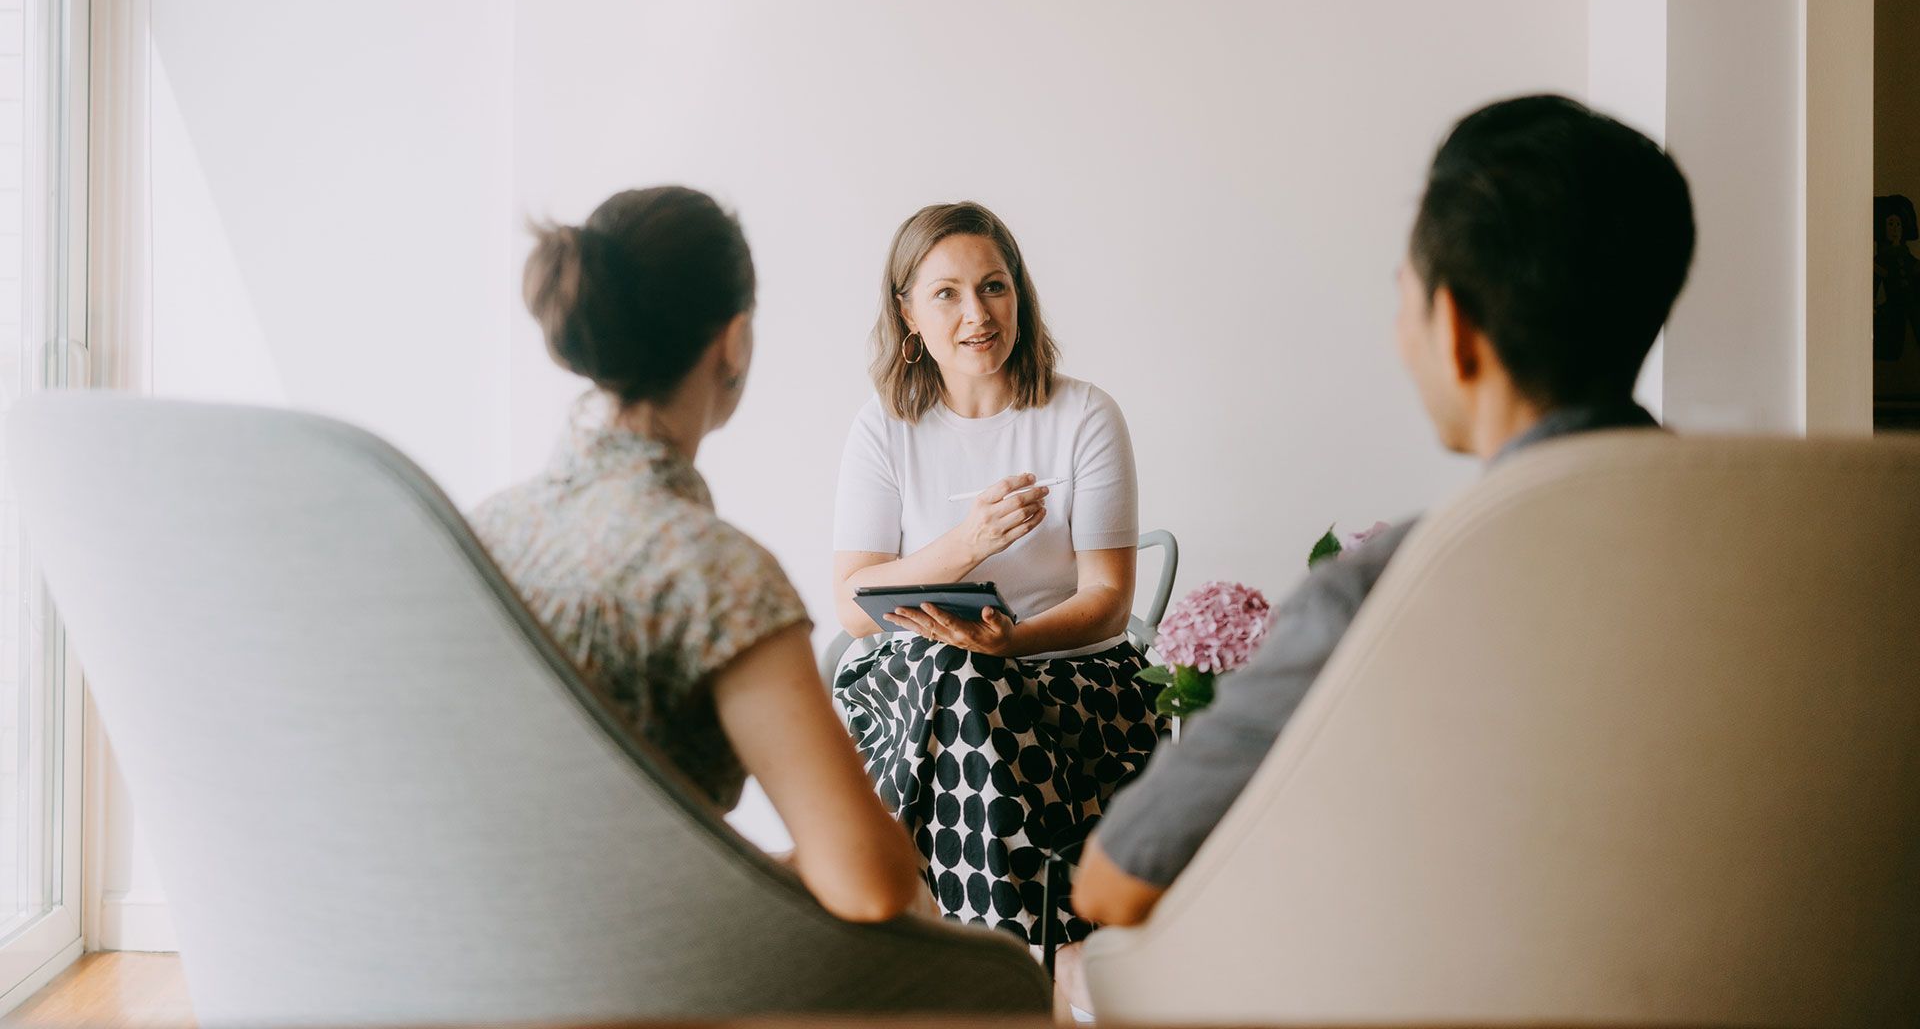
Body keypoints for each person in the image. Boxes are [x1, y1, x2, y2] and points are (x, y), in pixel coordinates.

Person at [1074, 94, 1697, 927]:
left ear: (1456, 331)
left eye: (1403, 293)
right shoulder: (1813, 555)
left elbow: (1114, 883)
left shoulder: (1384, 590)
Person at [471, 186, 926, 923]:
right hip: (637, 967)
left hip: (474, 955)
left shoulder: (487, 527)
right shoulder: (714, 571)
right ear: (735, 342)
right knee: (962, 943)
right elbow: (871, 882)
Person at [830, 200, 1166, 948]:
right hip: (915, 690)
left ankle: (966, 968)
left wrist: (1008, 645)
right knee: (956, 675)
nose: (976, 313)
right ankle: (1044, 959)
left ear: (1020, 293)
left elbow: (1109, 602)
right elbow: (855, 606)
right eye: (945, 292)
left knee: (972, 681)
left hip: (1067, 686)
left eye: (994, 286)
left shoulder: (1084, 416)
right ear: (908, 314)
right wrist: (967, 544)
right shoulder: (883, 429)